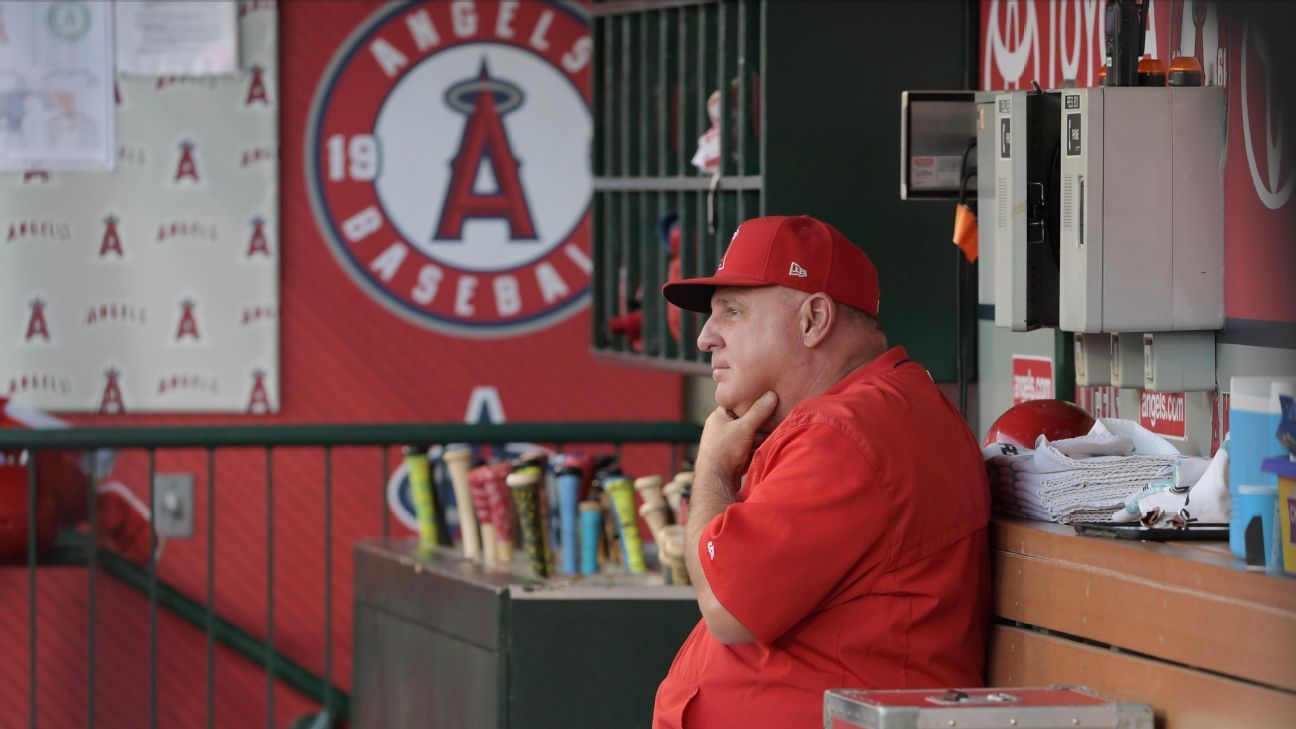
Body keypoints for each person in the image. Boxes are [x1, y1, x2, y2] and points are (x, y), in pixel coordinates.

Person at [653, 215, 991, 728]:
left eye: (733, 311)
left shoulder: (850, 431)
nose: (705, 337)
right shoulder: (867, 413)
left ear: (813, 319)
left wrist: (714, 469)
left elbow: (727, 605)